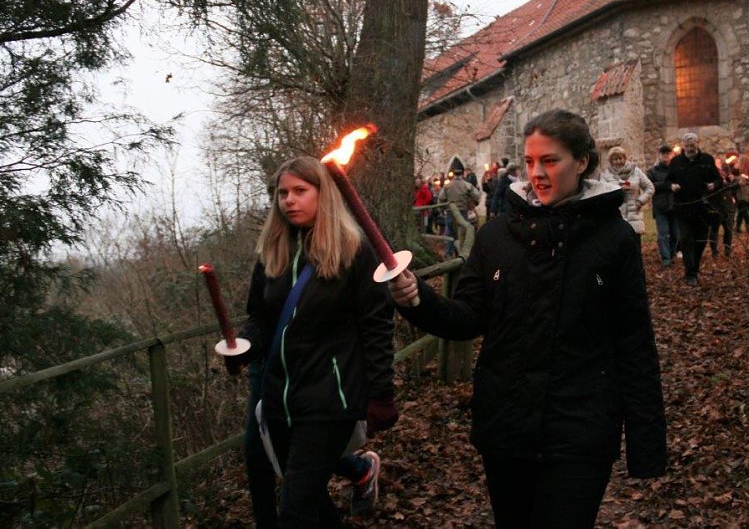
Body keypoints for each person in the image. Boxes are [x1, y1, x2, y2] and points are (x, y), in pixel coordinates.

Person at [388, 109, 666, 528]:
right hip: (507, 427)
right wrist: (416, 300)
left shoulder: (613, 240)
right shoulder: (496, 237)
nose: (537, 172)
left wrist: (646, 444)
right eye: (531, 161)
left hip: (580, 429)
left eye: (550, 161)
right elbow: (466, 318)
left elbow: (634, 342)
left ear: (583, 162)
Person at [235, 156, 398, 528]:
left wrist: (381, 395)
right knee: (310, 500)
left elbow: (376, 325)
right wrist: (243, 346)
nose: (289, 200)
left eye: (299, 191)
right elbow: (260, 319)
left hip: (330, 399)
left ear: (323, 194)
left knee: (294, 509)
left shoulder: (353, 250)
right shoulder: (273, 252)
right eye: (282, 193)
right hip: (280, 399)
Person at [665, 132, 723, 286]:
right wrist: (672, 186)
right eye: (687, 146)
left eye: (692, 145)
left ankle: (695, 268)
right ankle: (690, 273)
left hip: (703, 208)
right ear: (683, 146)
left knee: (700, 241)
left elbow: (719, 179)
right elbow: (667, 180)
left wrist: (714, 185)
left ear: (698, 144)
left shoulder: (707, 160)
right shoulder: (676, 161)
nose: (690, 148)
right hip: (682, 208)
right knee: (685, 239)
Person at [600, 146, 655, 250]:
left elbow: (650, 188)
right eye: (615, 159)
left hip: (634, 216)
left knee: (635, 250)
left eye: (620, 158)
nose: (618, 161)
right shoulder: (606, 175)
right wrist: (618, 191)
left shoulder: (635, 171)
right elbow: (603, 195)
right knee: (620, 251)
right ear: (611, 161)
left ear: (625, 158)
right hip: (616, 217)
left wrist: (640, 201)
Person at [646, 145, 679, 266]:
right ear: (659, 155)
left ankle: (671, 254)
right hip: (660, 206)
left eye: (667, 153)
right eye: (663, 153)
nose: (665, 155)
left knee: (676, 234)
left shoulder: (676, 169)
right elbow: (650, 185)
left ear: (671, 154)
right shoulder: (652, 171)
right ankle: (666, 258)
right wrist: (669, 186)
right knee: (663, 234)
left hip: (675, 206)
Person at [438, 166, 481, 257]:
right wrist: (474, 203)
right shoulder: (467, 185)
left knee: (449, 233)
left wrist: (442, 210)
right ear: (462, 174)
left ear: (453, 175)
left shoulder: (447, 186)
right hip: (462, 212)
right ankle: (461, 254)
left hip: (450, 213)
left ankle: (448, 254)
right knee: (462, 233)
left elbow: (441, 199)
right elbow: (477, 195)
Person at [707, 152, 737, 258]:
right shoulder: (710, 176)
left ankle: (727, 250)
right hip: (715, 206)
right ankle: (714, 251)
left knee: (728, 229)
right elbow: (711, 188)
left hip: (728, 206)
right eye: (716, 163)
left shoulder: (726, 174)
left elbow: (733, 187)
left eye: (719, 163)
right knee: (714, 230)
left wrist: (732, 180)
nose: (718, 164)